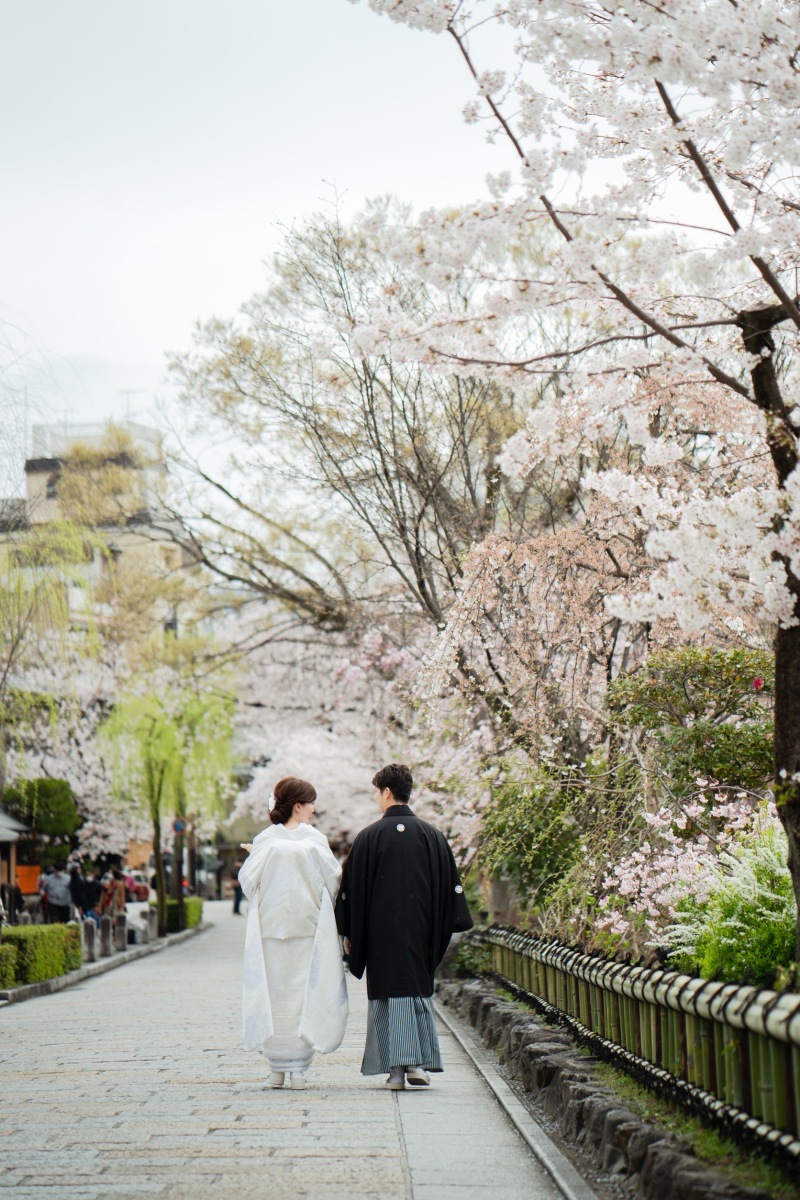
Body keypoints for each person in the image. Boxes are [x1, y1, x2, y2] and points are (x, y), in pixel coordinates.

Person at [335, 763, 473, 1091]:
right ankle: (418, 1064)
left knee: (387, 993)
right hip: (422, 932)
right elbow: (449, 890)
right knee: (415, 990)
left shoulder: (368, 837)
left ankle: (396, 1070)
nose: (376, 799)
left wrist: (351, 932)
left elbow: (351, 891)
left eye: (376, 793)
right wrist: (436, 927)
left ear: (386, 792)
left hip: (379, 935)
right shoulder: (432, 836)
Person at [239, 776, 347, 1091]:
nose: (313, 809)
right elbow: (333, 880)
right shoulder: (277, 838)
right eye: (310, 803)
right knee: (276, 997)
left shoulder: (288, 839)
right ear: (298, 806)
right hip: (278, 930)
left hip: (301, 931)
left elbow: (250, 881)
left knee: (300, 997)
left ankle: (297, 1066)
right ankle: (277, 1065)